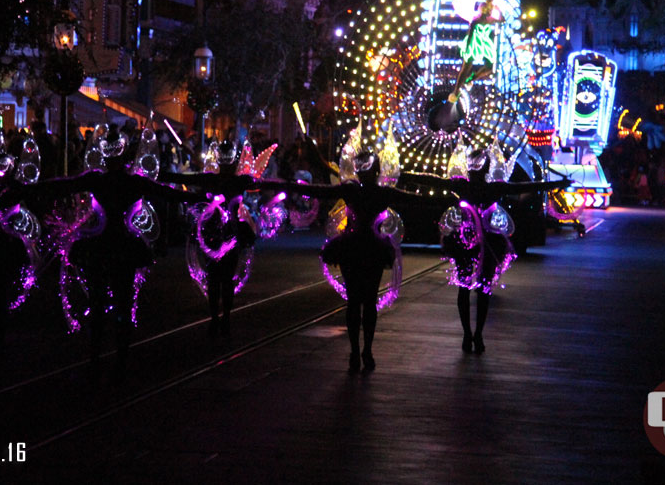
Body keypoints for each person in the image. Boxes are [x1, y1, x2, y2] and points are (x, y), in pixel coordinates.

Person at [17, 124, 204, 379]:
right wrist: (196, 199)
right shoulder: (133, 181)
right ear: (123, 153)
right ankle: (120, 358)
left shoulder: (96, 179)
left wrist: (27, 188)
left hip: (100, 247)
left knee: (98, 303)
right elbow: (167, 193)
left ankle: (97, 357)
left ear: (105, 154)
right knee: (123, 303)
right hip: (124, 247)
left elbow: (64, 184)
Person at [398, 160, 568, 354]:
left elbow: (433, 181)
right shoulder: (492, 188)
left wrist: (403, 175)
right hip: (486, 243)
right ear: (486, 170)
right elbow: (528, 186)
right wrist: (556, 184)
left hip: (467, 241)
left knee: (466, 288)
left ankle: (469, 334)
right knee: (483, 289)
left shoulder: (463, 185)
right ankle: (476, 334)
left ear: (469, 169)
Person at [281, 153, 407, 373]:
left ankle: (358, 352)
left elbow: (321, 190)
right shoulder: (380, 192)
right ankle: (363, 351)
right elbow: (411, 198)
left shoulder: (354, 190)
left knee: (356, 302)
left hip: (353, 248)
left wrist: (295, 186)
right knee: (367, 302)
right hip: (370, 249)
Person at [160, 139, 281, 336]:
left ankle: (218, 319)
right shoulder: (238, 180)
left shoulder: (214, 179)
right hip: (226, 234)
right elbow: (264, 183)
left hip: (215, 234)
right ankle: (223, 318)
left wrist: (157, 175)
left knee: (215, 279)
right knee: (224, 279)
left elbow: (184, 178)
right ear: (232, 160)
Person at [449, 0, 502, 104]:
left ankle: (471, 78)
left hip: (483, 44)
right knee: (466, 68)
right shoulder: (477, 20)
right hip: (475, 44)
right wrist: (468, 47)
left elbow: (502, 20)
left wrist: (497, 9)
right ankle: (456, 91)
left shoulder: (488, 19)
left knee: (491, 66)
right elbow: (470, 34)